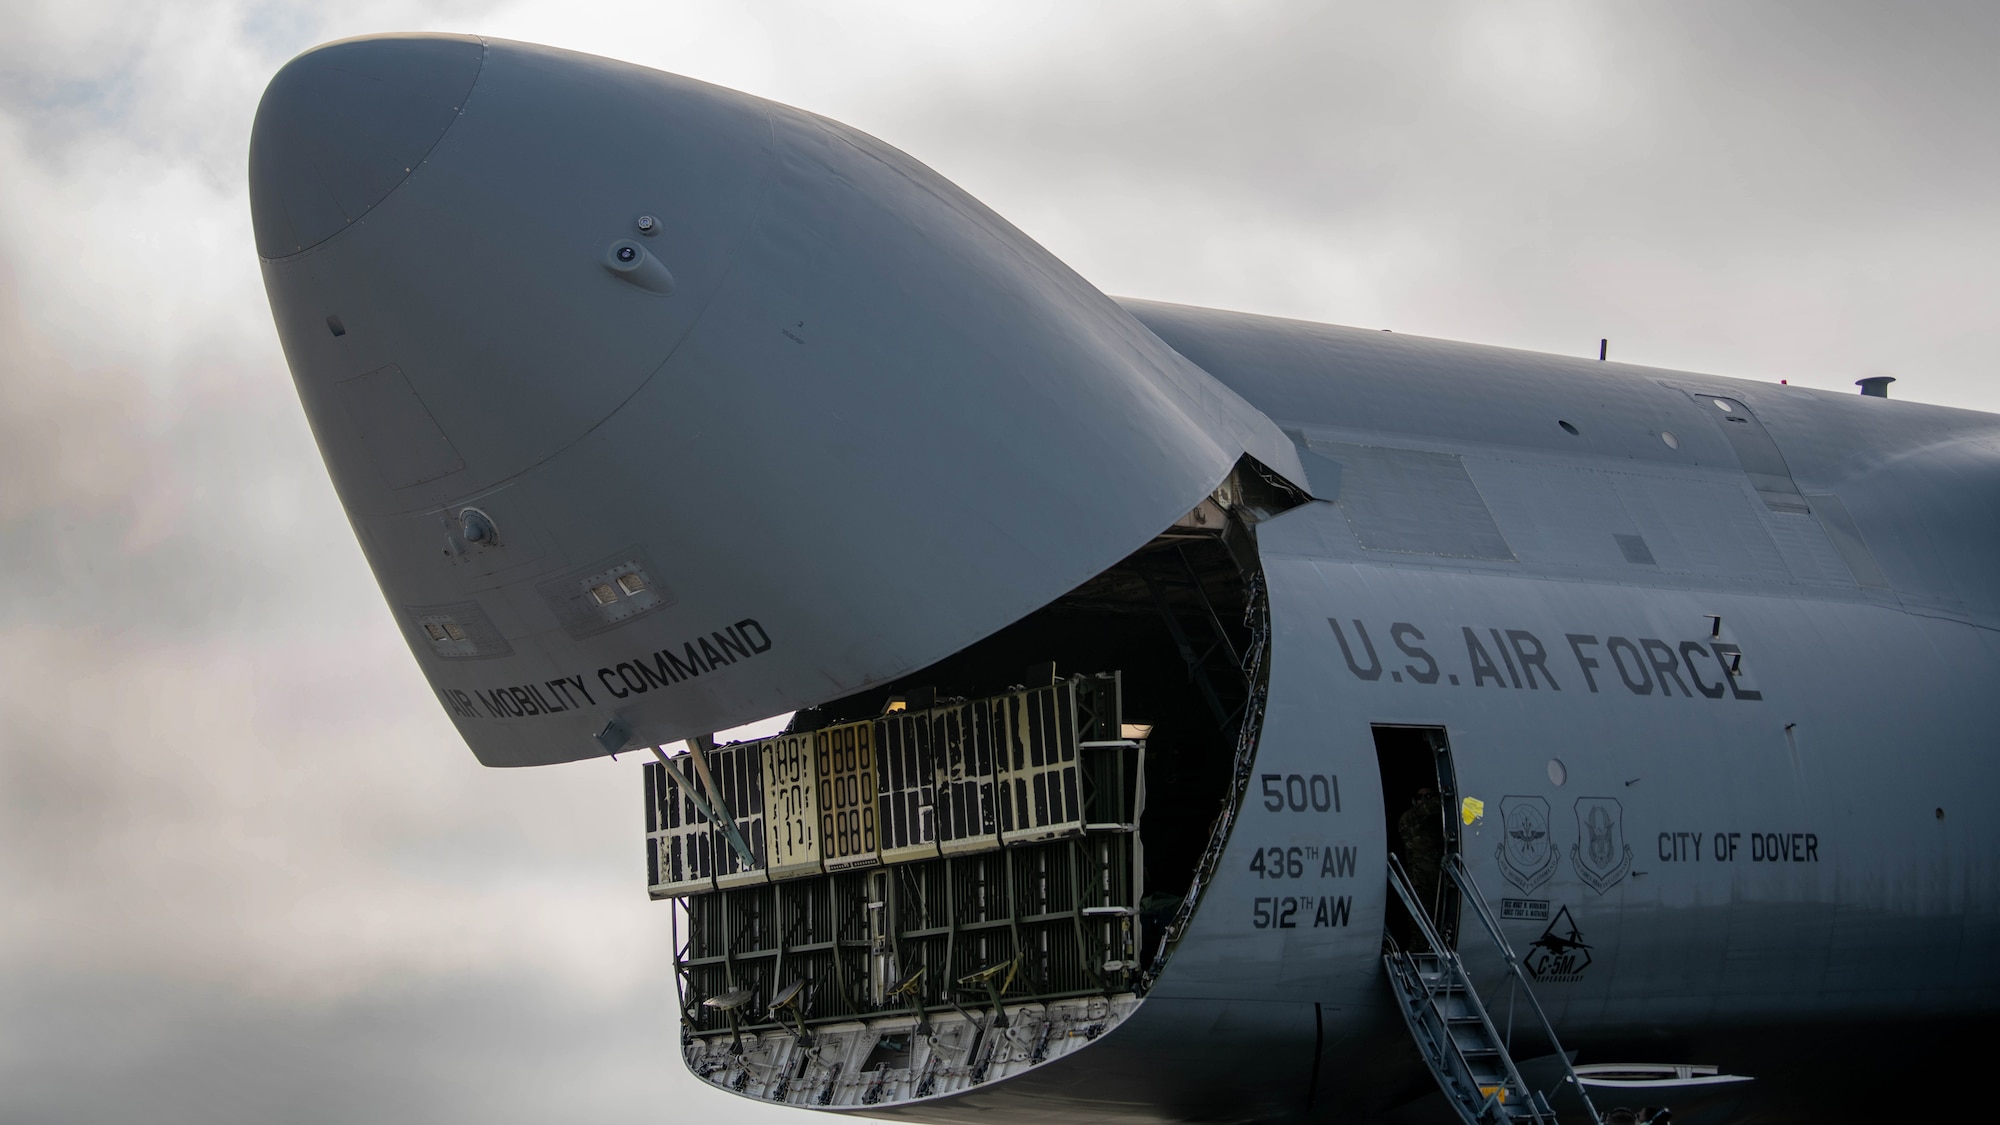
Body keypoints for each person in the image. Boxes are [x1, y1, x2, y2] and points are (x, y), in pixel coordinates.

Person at [1396, 786, 1444, 928]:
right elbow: (1431, 807)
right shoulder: (1409, 818)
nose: (1423, 801)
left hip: (1438, 881)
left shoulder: (1435, 824)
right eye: (1420, 798)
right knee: (1421, 927)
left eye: (1428, 797)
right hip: (1419, 882)